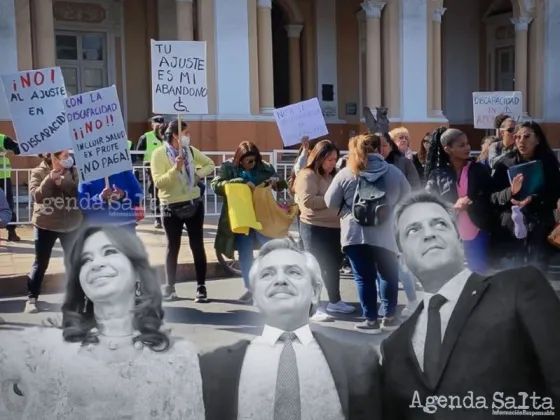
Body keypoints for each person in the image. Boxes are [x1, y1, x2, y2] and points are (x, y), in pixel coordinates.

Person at [381, 191, 560, 419]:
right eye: (413, 230)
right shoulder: (393, 347)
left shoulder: (518, 287)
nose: (429, 235)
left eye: (439, 224)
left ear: (459, 241)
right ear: (402, 261)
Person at [0, 225, 206, 419]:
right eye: (86, 260)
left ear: (137, 271)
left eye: (109, 252)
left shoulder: (180, 359)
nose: (96, 264)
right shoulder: (43, 350)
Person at [199, 238, 382, 420]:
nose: (280, 280)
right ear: (254, 294)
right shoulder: (212, 367)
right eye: (267, 274)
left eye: (293, 272)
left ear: (315, 292)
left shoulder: (361, 363)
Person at [325, 133, 411, 333]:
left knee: (364, 278)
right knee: (388, 275)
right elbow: (407, 198)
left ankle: (370, 320)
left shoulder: (347, 173)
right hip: (386, 233)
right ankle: (389, 318)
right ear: (379, 149)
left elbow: (330, 202)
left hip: (355, 235)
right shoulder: (394, 172)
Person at [211, 141, 287, 304]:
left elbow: (282, 183)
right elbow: (216, 185)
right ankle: (251, 289)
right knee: (245, 254)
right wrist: (238, 182)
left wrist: (276, 182)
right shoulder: (228, 168)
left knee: (270, 249)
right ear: (240, 159)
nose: (252, 164)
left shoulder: (264, 167)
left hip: (262, 216)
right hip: (241, 217)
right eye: (248, 161)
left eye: (254, 160)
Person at [151, 119, 215, 302]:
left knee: (197, 245)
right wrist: (174, 169)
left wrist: (197, 175)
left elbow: (210, 164)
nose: (189, 137)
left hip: (193, 203)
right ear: (176, 136)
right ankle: (170, 287)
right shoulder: (158, 154)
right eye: (186, 133)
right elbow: (159, 183)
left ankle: (201, 287)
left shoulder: (191, 152)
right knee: (173, 246)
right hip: (171, 207)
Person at [294, 140, 355, 319]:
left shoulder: (334, 175)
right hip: (314, 227)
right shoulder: (307, 175)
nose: (332, 163)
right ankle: (314, 306)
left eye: (334, 159)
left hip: (335, 227)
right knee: (316, 267)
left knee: (333, 266)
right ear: (319, 158)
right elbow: (308, 201)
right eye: (329, 159)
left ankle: (335, 301)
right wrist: (333, 198)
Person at [491, 121, 560, 273]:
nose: (521, 141)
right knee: (513, 275)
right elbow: (493, 196)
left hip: (539, 226)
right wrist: (511, 191)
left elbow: (555, 193)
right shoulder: (504, 164)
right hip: (511, 228)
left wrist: (533, 199)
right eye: (517, 137)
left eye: (527, 136)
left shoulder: (548, 163)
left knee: (536, 273)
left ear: (538, 139)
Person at [424, 127, 494, 274]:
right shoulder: (438, 174)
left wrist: (472, 202)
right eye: (461, 145)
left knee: (479, 274)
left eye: (467, 144)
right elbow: (429, 202)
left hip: (476, 231)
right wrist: (454, 206)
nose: (467, 148)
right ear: (448, 149)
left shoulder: (477, 169)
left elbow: (490, 196)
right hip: (449, 234)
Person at [25, 151, 83, 314]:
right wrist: (50, 179)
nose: (69, 158)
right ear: (53, 158)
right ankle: (31, 299)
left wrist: (64, 182)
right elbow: (37, 196)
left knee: (73, 262)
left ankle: (74, 299)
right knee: (41, 262)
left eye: (68, 155)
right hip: (46, 224)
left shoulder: (74, 171)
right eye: (64, 155)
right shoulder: (38, 171)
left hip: (72, 224)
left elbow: (79, 194)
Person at [78, 166, 142, 233]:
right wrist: (100, 198)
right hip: (98, 230)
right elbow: (83, 205)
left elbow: (139, 195)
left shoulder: (124, 170)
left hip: (126, 227)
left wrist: (124, 195)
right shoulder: (86, 172)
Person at [136, 115, 165, 228]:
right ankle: (157, 218)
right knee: (155, 192)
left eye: (161, 125)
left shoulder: (168, 136)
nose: (159, 127)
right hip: (151, 168)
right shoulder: (145, 137)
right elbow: (138, 153)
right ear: (152, 125)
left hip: (166, 167)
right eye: (157, 125)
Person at [0, 132, 21, 241]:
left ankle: (11, 231)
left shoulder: (2, 138)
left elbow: (18, 149)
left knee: (7, 205)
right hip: (3, 177)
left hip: (2, 177)